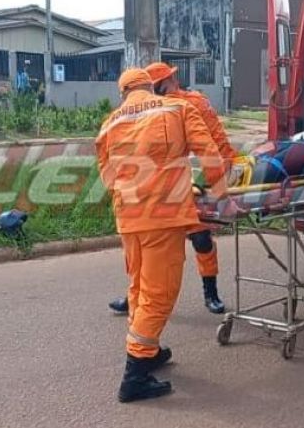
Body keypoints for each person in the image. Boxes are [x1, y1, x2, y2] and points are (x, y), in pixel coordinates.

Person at [96, 68, 225, 402]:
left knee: (139, 287)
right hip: (163, 217)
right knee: (159, 293)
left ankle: (148, 352)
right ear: (151, 86)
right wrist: (222, 194)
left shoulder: (110, 122)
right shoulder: (177, 108)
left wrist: (129, 195)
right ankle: (134, 376)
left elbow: (106, 173)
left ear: (123, 93)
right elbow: (209, 152)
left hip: (129, 218)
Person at [108, 61, 237, 315]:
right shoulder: (145, 109)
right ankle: (136, 296)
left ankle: (211, 292)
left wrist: (221, 185)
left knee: (201, 238)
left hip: (189, 181)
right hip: (152, 188)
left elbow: (216, 144)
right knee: (142, 248)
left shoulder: (192, 104)